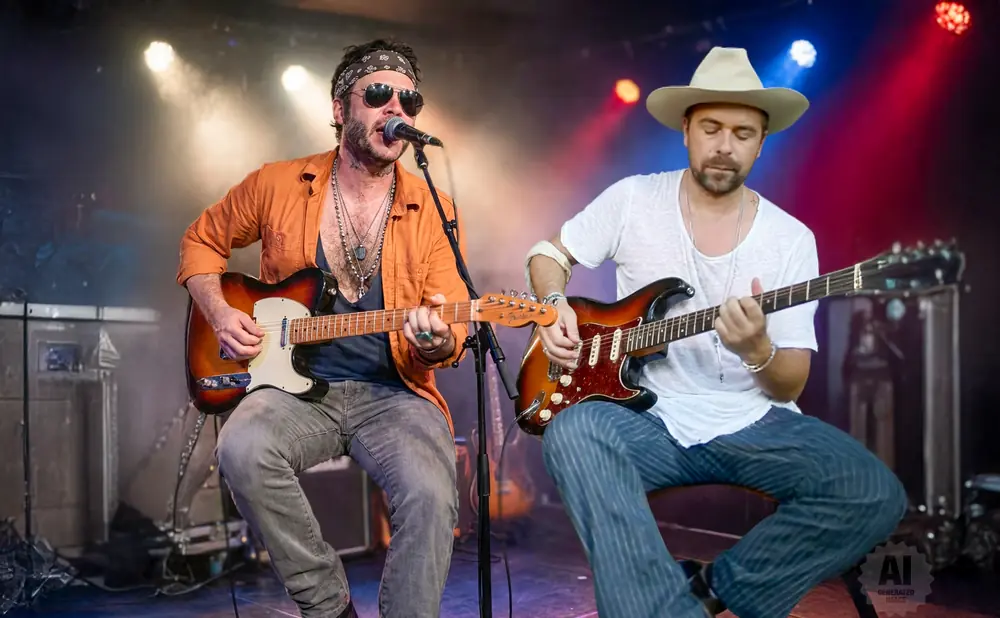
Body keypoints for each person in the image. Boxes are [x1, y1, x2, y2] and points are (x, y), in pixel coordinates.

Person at [524, 47, 908, 618]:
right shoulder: (634, 199)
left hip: (751, 422)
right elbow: (547, 253)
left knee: (874, 493)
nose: (725, 146)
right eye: (711, 128)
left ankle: (709, 591)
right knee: (571, 432)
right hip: (647, 418)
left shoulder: (790, 239)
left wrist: (757, 350)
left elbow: (788, 385)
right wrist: (554, 303)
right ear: (686, 129)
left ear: (762, 140)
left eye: (743, 133)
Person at [176, 38, 469, 618]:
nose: (398, 112)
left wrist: (439, 339)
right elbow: (200, 242)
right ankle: (327, 604)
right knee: (242, 447)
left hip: (394, 393)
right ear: (341, 109)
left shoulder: (434, 205)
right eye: (380, 95)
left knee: (433, 495)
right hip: (293, 389)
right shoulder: (277, 184)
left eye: (410, 102)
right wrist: (218, 310)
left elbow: (452, 311)